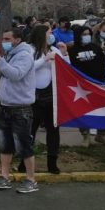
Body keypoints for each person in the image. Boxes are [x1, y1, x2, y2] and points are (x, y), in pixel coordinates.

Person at [0, 28, 38, 194]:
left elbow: (15, 75)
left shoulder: (24, 56)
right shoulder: (9, 55)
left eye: (8, 39)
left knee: (24, 145)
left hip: (20, 108)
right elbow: (2, 79)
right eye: (3, 38)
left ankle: (31, 179)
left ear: (18, 39)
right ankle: (5, 176)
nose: (4, 41)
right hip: (5, 107)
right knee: (5, 144)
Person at [28, 24, 67, 174]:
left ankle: (52, 162)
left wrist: (65, 54)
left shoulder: (54, 49)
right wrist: (45, 59)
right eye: (49, 33)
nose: (52, 36)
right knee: (30, 130)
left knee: (53, 130)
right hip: (33, 97)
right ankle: (25, 161)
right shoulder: (29, 49)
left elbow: (66, 70)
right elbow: (28, 67)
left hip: (51, 96)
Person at [68, 26, 105, 146]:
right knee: (83, 112)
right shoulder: (72, 50)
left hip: (98, 84)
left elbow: (103, 64)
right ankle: (85, 136)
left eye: (88, 34)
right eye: (84, 34)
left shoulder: (95, 48)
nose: (87, 36)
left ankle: (101, 135)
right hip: (81, 87)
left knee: (102, 111)